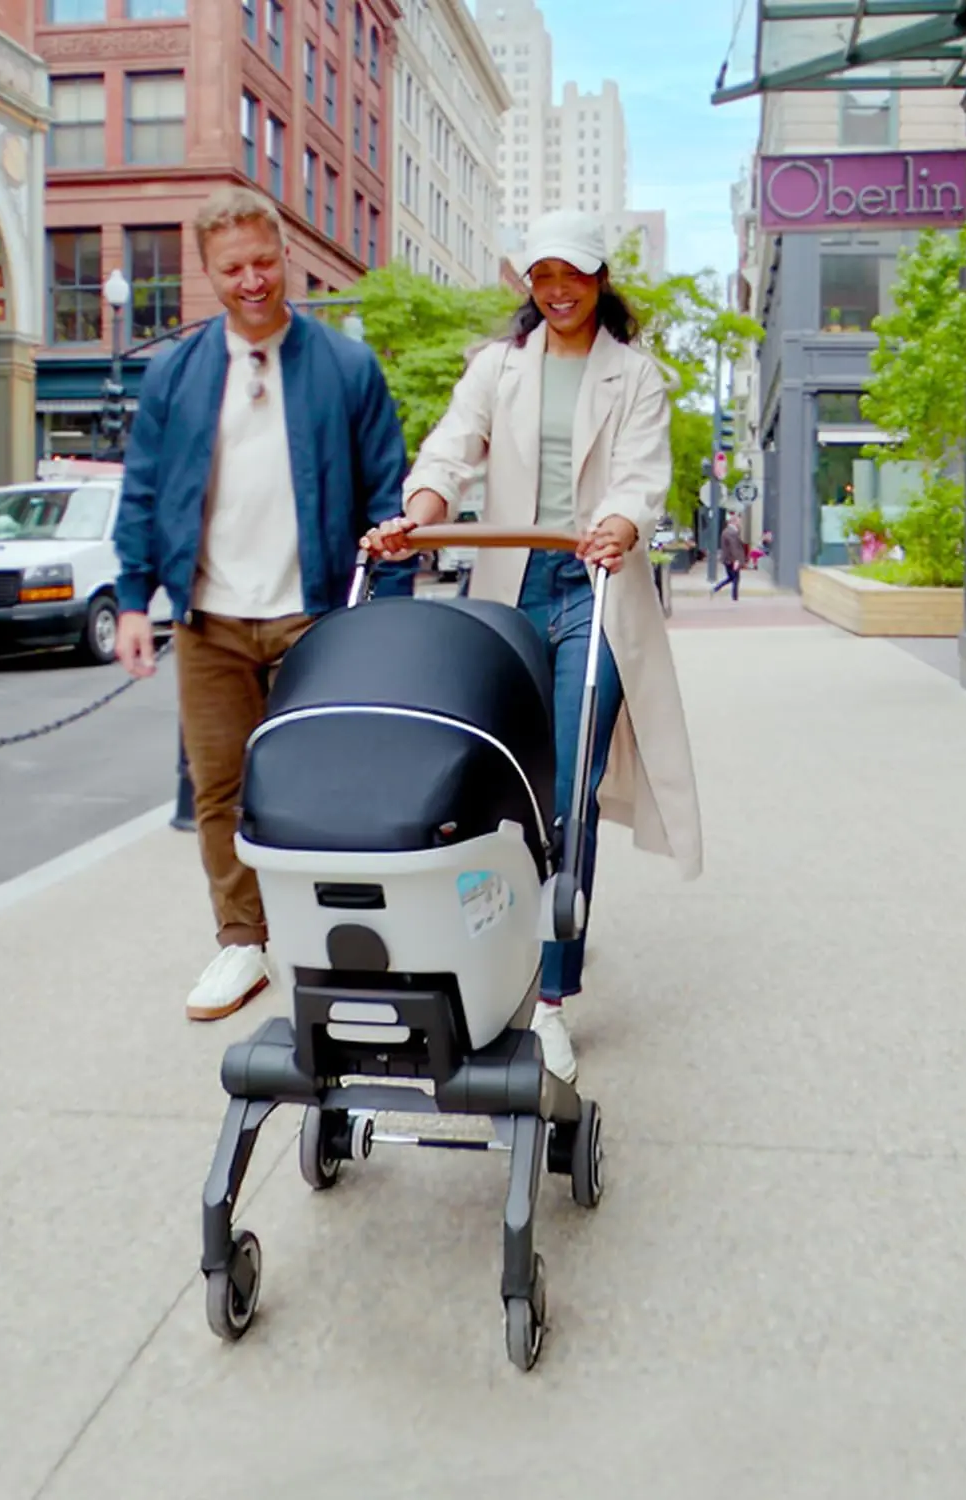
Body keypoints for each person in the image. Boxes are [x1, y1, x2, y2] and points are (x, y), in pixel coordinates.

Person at [360, 208, 702, 1084]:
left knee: (568, 789)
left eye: (573, 274)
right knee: (498, 785)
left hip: (594, 589)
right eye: (543, 275)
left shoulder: (636, 376)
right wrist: (418, 516)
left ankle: (551, 997)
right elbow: (449, 454)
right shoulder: (496, 367)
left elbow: (641, 479)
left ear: (599, 280)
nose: (557, 290)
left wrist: (619, 523)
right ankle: (489, 951)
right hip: (508, 592)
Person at [113, 185, 410, 1023]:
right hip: (208, 619)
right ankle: (242, 942)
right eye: (232, 268)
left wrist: (383, 620)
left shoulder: (346, 367)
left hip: (315, 617)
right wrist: (133, 599)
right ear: (208, 273)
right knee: (219, 788)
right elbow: (144, 491)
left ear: (286, 258)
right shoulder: (175, 372)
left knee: (328, 789)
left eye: (263, 262)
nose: (251, 281)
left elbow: (386, 500)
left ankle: (336, 942)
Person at [713, 516, 745, 601]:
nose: (739, 523)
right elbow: (733, 547)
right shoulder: (730, 532)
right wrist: (736, 560)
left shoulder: (730, 531)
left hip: (729, 559)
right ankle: (734, 597)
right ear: (734, 522)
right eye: (738, 521)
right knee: (735, 578)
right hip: (731, 559)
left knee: (731, 577)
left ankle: (716, 589)